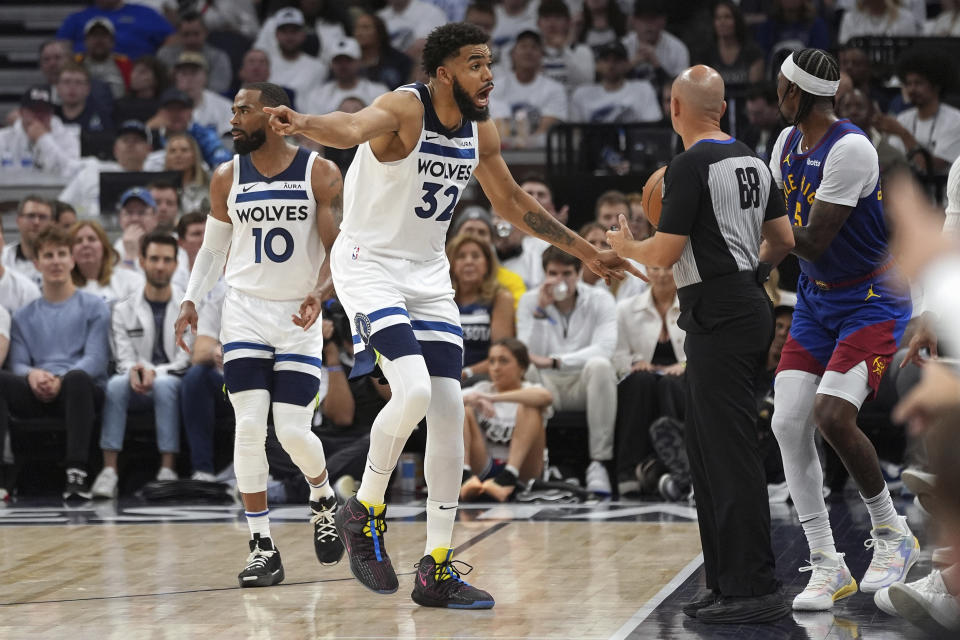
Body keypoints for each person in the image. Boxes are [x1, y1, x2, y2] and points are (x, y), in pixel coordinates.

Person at [261, 21, 638, 608]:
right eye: (475, 64)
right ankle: (366, 509)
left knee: (445, 411)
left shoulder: (478, 131)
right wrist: (303, 123)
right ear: (443, 73)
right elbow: (353, 126)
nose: (489, 74)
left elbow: (512, 203)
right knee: (409, 392)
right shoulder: (405, 109)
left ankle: (436, 567)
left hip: (428, 275)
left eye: (489, 63)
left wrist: (586, 250)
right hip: (370, 264)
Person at [606, 64, 796, 623]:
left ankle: (752, 589)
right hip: (742, 304)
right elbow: (782, 241)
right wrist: (745, 278)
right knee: (708, 450)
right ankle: (723, 582)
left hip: (717, 311)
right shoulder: (756, 162)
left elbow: (663, 256)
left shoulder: (688, 165)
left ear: (674, 108)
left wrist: (625, 245)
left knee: (727, 452)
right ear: (724, 110)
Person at [764, 48, 918, 612]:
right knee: (787, 421)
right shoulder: (784, 145)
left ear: (799, 94)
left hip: (872, 298)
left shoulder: (851, 148)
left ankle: (892, 531)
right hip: (814, 299)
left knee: (832, 415)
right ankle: (828, 563)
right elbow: (780, 231)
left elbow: (808, 239)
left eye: (780, 87)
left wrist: (738, 238)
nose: (773, 95)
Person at [174, 81, 345, 587]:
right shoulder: (226, 176)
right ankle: (261, 546)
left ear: (272, 116)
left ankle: (323, 497)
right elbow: (210, 250)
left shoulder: (320, 171)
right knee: (249, 427)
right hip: (244, 312)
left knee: (292, 431)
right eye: (233, 110)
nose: (233, 120)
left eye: (242, 111)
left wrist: (322, 291)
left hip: (298, 318)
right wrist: (190, 298)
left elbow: (340, 249)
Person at [0, 226, 111, 500]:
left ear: (72, 259)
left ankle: (77, 473)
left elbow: (96, 360)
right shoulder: (23, 316)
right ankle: (2, 476)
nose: (56, 261)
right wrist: (33, 376)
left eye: (62, 254)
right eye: (48, 255)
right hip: (37, 388)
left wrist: (59, 378)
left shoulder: (95, 306)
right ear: (37, 264)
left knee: (77, 379)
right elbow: (18, 363)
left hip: (79, 388)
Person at [91, 232, 189, 499]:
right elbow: (122, 358)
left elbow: (184, 360)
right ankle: (109, 471)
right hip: (134, 381)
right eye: (154, 259)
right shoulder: (123, 309)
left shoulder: (190, 306)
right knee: (115, 384)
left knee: (167, 384)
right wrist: (136, 371)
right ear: (142, 262)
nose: (160, 266)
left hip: (172, 380)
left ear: (175, 265)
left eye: (167, 260)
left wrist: (153, 373)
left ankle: (167, 469)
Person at [517, 245, 619, 495]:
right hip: (547, 385)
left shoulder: (601, 298)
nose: (559, 281)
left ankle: (598, 464)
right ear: (544, 274)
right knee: (527, 370)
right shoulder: (530, 302)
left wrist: (556, 361)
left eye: (566, 274)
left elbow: (603, 349)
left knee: (601, 366)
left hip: (583, 383)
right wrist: (540, 312)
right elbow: (526, 353)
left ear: (578, 273)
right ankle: (538, 464)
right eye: (553, 274)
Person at [612, 264, 685, 496]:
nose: (663, 274)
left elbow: (704, 350)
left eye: (669, 268)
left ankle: (677, 468)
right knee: (641, 381)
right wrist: (634, 363)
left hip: (681, 377)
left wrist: (683, 365)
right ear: (647, 271)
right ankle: (627, 470)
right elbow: (618, 355)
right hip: (641, 380)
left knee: (669, 384)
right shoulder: (625, 309)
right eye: (656, 268)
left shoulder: (693, 304)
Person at [460, 338, 551, 502]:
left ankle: (508, 476)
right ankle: (464, 476)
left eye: (503, 361)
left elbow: (546, 397)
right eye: (492, 361)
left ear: (522, 368)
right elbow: (446, 402)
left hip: (523, 470)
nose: (495, 368)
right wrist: (474, 400)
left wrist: (490, 398)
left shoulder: (531, 389)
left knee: (529, 406)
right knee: (462, 408)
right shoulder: (481, 389)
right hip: (485, 466)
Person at [447, 233, 515, 382]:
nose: (469, 262)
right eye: (461, 256)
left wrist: (466, 373)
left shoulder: (500, 298)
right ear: (451, 264)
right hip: (444, 379)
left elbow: (501, 354)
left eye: (476, 256)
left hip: (482, 380)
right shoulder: (440, 298)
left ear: (487, 264)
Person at [58, 119, 153, 218]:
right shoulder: (91, 172)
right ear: (115, 149)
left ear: (149, 149)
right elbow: (62, 205)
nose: (130, 144)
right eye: (125, 140)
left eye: (137, 140)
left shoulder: (157, 178)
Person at [0, 87, 80, 179]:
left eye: (45, 111)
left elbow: (70, 172)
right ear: (22, 112)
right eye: (34, 110)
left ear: (52, 113)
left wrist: (43, 139)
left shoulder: (68, 137)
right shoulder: (3, 138)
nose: (40, 115)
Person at [157, 11, 233, 95]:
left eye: (196, 34)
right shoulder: (165, 55)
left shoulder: (218, 57)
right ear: (178, 34)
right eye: (186, 34)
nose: (191, 40)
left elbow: (219, 88)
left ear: (206, 32)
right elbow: (158, 86)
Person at [71, 220, 144, 305]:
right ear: (70, 251)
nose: (85, 244)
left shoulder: (130, 280)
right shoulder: (63, 287)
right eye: (78, 241)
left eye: (92, 239)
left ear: (104, 247)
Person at [353, 12, 413, 91]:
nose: (359, 33)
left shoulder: (399, 61)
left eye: (365, 28)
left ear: (379, 31)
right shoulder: (347, 60)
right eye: (356, 28)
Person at [3, 195, 54, 287]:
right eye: (31, 216)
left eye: (42, 217)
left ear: (52, 223)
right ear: (18, 221)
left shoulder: (62, 259)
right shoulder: (2, 258)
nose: (36, 222)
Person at [163, 132, 210, 213]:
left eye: (184, 150)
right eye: (172, 151)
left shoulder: (210, 184)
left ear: (194, 156)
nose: (178, 155)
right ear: (167, 157)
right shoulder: (159, 187)